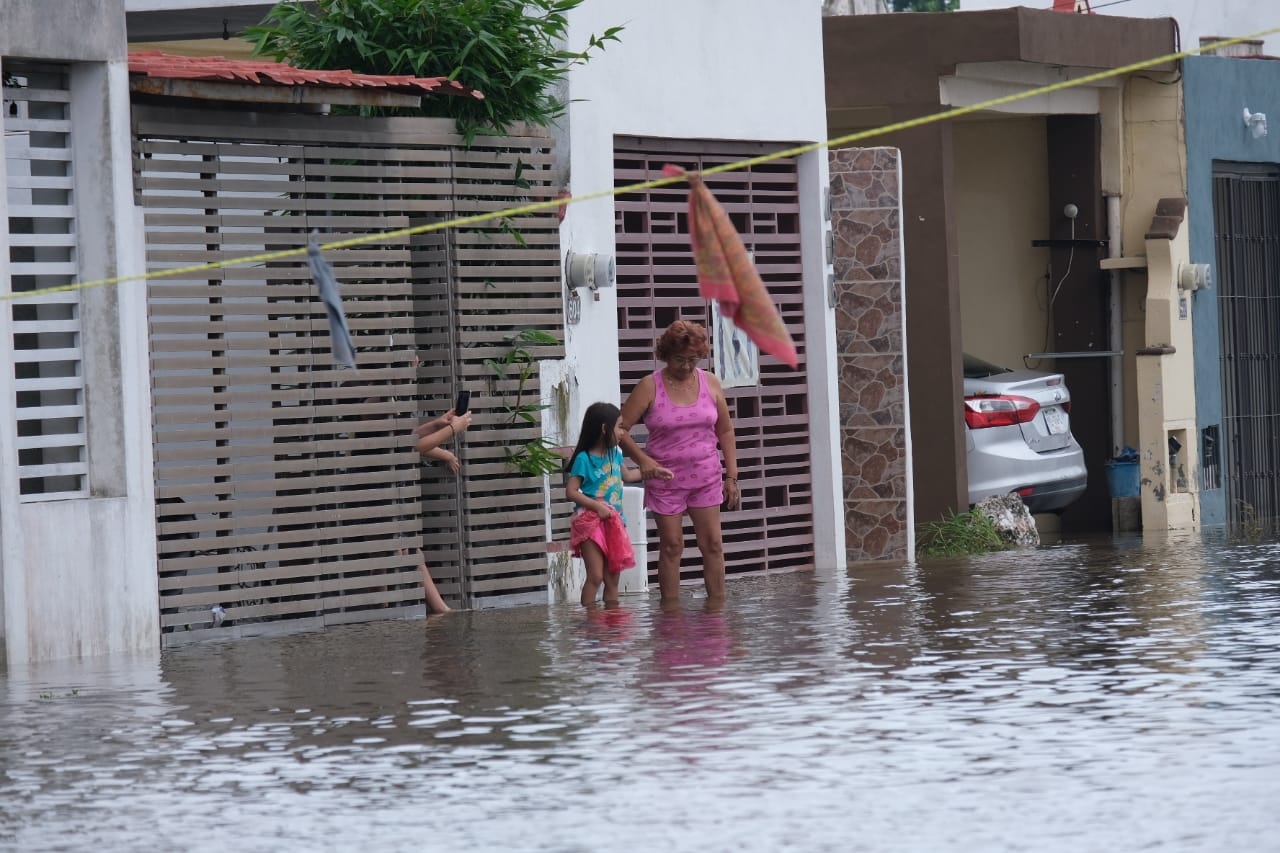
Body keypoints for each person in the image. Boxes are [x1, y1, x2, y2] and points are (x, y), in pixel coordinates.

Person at [618, 320, 740, 604]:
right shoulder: (650, 386)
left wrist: (731, 476)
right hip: (665, 478)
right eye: (679, 360)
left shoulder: (710, 382)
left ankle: (716, 609)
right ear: (665, 355)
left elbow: (725, 430)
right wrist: (643, 460)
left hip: (706, 476)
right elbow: (619, 428)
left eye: (692, 360)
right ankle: (671, 615)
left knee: (712, 545)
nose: (686, 366)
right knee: (672, 546)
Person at [566, 402, 643, 607]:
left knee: (612, 578)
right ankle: (592, 624)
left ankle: (611, 624)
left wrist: (652, 470)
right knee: (596, 576)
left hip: (615, 522)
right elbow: (571, 491)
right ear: (603, 428)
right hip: (590, 523)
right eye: (619, 426)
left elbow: (628, 475)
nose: (622, 433)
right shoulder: (584, 459)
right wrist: (597, 507)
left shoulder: (615, 454)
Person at [412, 407, 473, 613]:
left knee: (409, 549)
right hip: (376, 491)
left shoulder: (393, 396)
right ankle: (441, 611)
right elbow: (411, 444)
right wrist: (452, 430)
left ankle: (442, 610)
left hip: (388, 492)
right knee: (406, 549)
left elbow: (407, 440)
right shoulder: (379, 399)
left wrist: (436, 424)